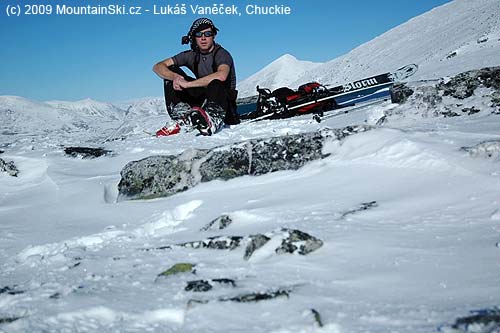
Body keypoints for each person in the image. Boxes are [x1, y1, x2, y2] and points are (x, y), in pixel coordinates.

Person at [153, 17, 240, 136]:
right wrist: (176, 77)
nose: (203, 38)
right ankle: (181, 118)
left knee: (215, 82)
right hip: (203, 102)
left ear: (214, 35)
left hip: (225, 106)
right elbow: (158, 66)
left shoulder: (222, 54)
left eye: (207, 34)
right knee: (172, 72)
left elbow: (222, 75)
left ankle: (212, 120)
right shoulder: (192, 55)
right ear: (194, 37)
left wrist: (188, 84)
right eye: (199, 34)